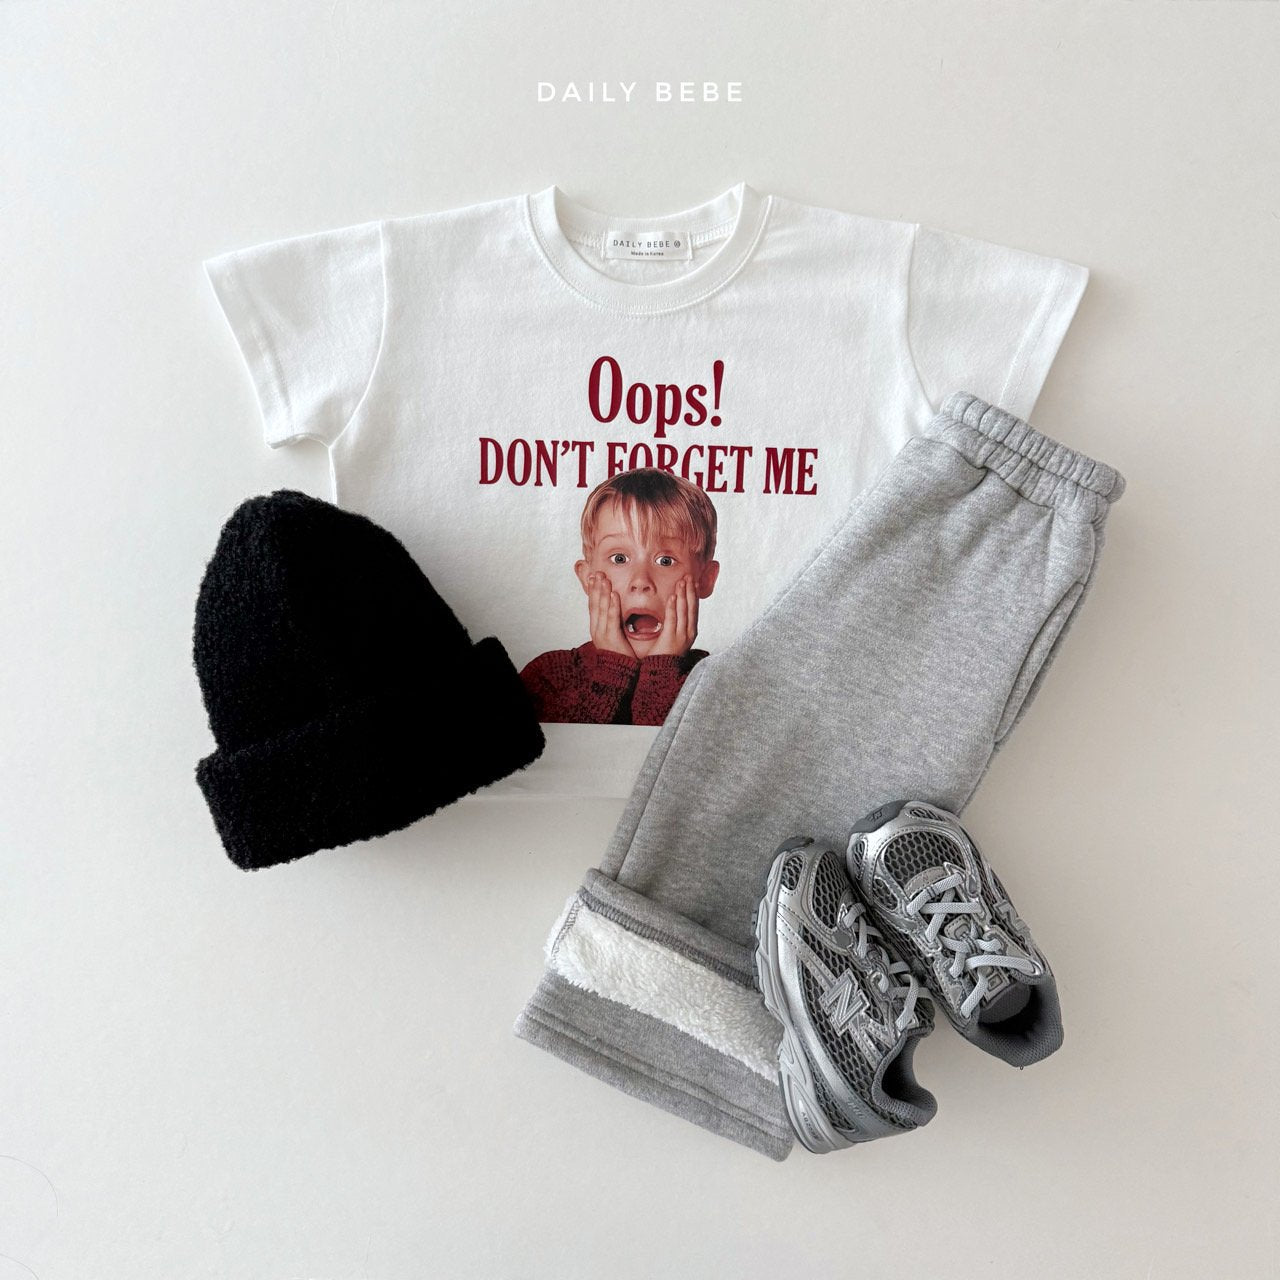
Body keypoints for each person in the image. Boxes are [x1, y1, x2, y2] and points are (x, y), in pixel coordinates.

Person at [519, 468, 721, 726]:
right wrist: (611, 669)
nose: (641, 581)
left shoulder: (717, 685)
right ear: (587, 578)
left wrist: (663, 669)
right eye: (619, 558)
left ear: (705, 579)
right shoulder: (548, 678)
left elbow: (673, 751)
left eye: (665, 561)